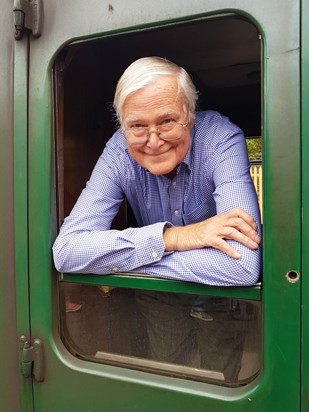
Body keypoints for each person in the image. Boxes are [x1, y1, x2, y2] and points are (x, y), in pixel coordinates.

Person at [53, 56, 261, 381]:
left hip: (221, 297)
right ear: (123, 126)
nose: (153, 141)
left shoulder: (221, 138)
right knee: (166, 378)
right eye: (137, 126)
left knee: (221, 385)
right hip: (159, 296)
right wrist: (171, 238)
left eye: (166, 121)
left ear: (190, 118)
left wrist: (117, 258)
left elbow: (242, 264)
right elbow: (66, 251)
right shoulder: (118, 151)